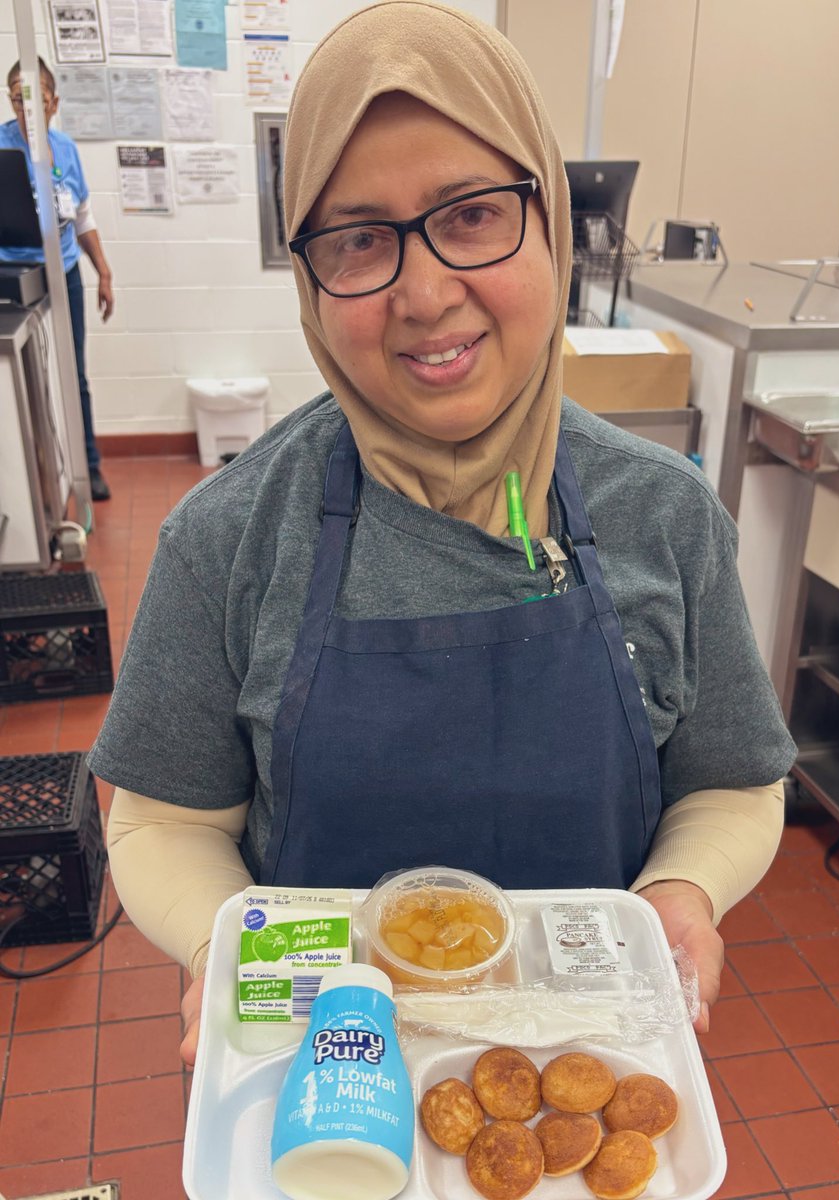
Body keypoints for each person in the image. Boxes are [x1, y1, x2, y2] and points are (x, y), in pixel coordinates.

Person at [88, 1, 796, 1067]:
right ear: (310, 279)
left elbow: (731, 780)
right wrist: (220, 949)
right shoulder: (228, 537)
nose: (424, 294)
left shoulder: (663, 510)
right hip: (326, 1077)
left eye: (471, 215)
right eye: (358, 239)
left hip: (585, 1074)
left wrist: (681, 892)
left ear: (550, 218)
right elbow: (165, 822)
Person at [1, 56, 113, 501]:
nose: (27, 111)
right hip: (15, 274)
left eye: (37, 101)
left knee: (74, 372)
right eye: (18, 100)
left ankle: (88, 465)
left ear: (53, 103)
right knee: (21, 376)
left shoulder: (65, 148)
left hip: (63, 271)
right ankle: (29, 476)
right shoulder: (3, 149)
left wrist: (103, 272)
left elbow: (82, 216)